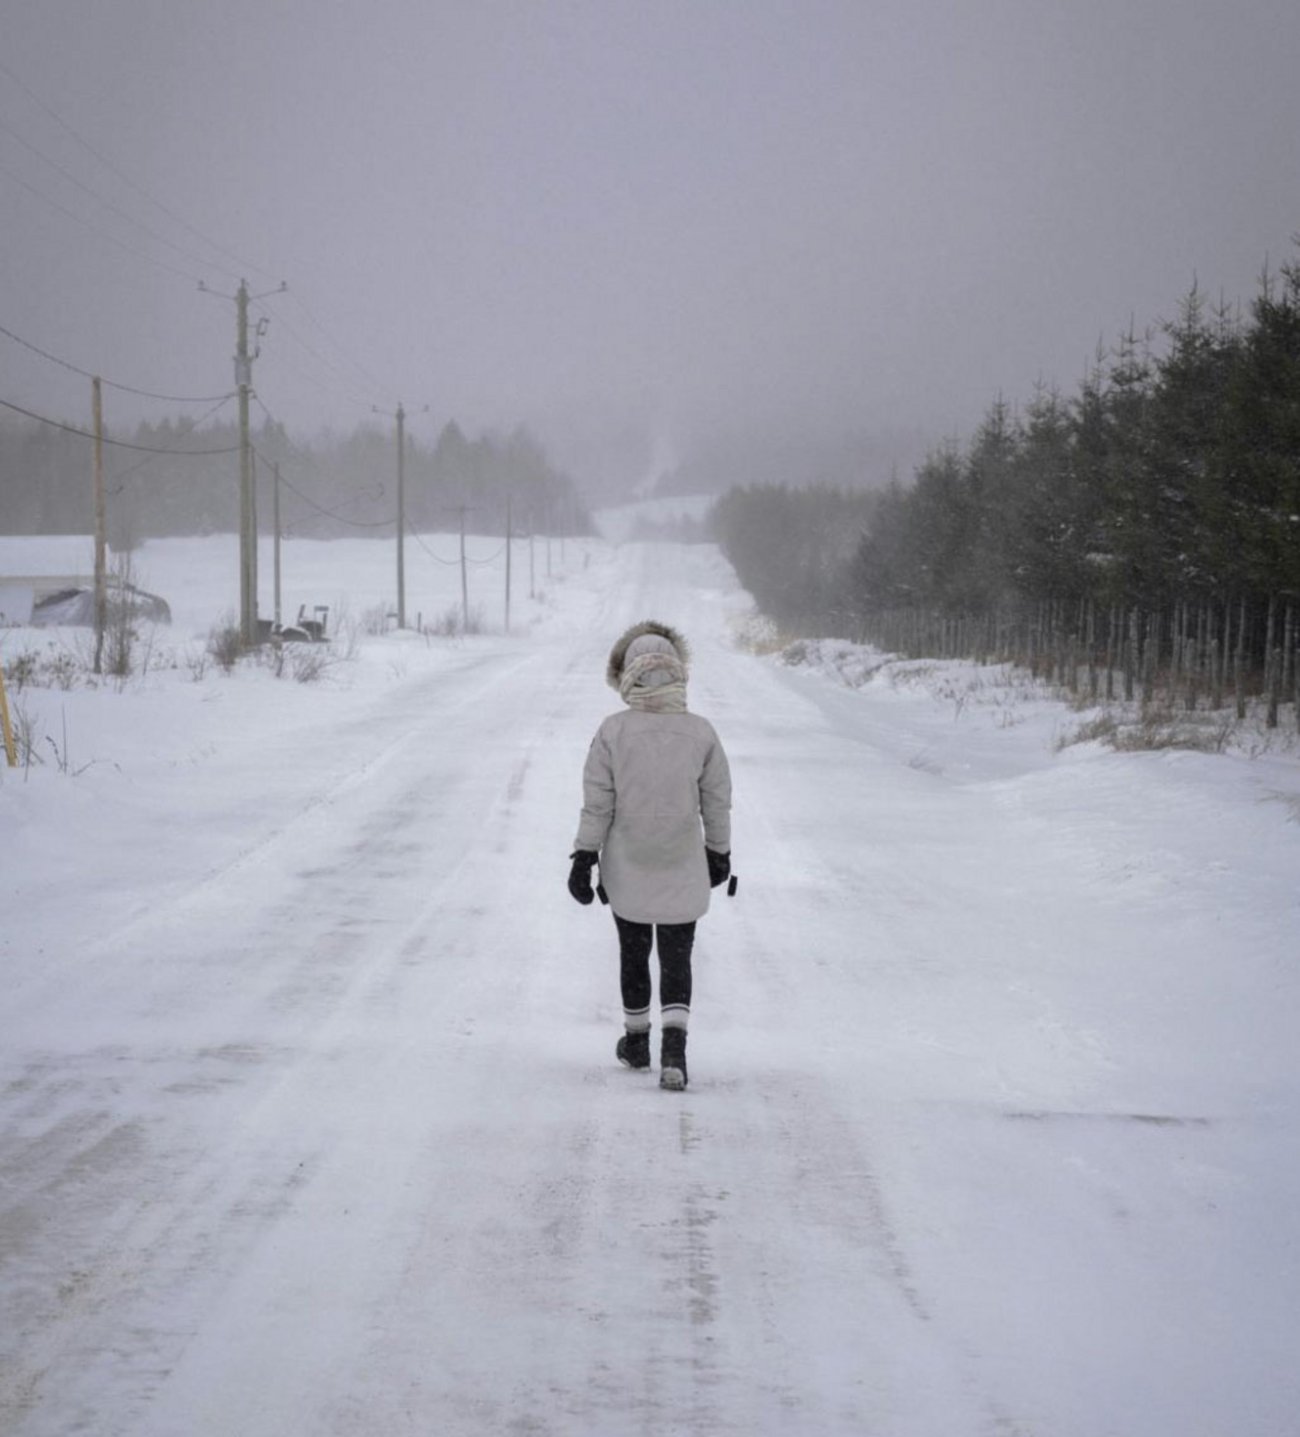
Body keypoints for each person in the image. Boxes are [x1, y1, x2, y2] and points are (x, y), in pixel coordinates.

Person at [569, 620, 732, 1090]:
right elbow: (716, 801)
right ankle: (674, 1051)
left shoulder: (612, 732)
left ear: (628, 675)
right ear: (678, 672)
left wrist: (584, 856)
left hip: (628, 861)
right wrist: (719, 852)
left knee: (634, 951)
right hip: (683, 859)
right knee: (677, 957)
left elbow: (598, 802)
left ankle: (637, 1041)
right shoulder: (701, 733)